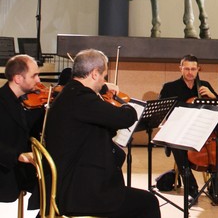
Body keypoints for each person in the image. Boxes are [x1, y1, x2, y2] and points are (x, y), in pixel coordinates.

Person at [45, 49, 160, 218]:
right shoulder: (82, 99)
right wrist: (126, 104)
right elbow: (125, 118)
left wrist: (104, 88)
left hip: (68, 182)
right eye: (104, 76)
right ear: (94, 74)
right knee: (148, 202)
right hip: (79, 193)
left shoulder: (70, 92)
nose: (104, 81)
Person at [159, 54, 218, 202]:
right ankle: (192, 188)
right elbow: (163, 112)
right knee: (178, 146)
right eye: (186, 68)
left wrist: (212, 96)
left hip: (204, 130)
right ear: (180, 68)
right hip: (181, 131)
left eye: (193, 69)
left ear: (198, 69)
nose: (190, 72)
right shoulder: (169, 87)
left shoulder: (204, 85)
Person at [0, 55, 44, 210]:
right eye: (34, 75)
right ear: (18, 78)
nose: (39, 80)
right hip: (5, 168)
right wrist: (17, 155)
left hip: (21, 168)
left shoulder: (24, 101)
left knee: (55, 183)